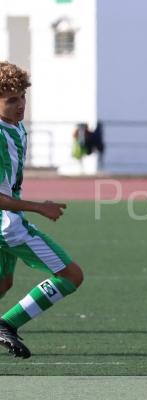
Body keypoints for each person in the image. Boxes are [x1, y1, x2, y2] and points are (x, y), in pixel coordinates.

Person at [0, 61, 84, 359]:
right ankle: (7, 324)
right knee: (71, 275)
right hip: (7, 225)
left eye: (23, 97)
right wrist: (39, 207)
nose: (20, 105)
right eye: (11, 100)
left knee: (4, 282)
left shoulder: (16, 127)